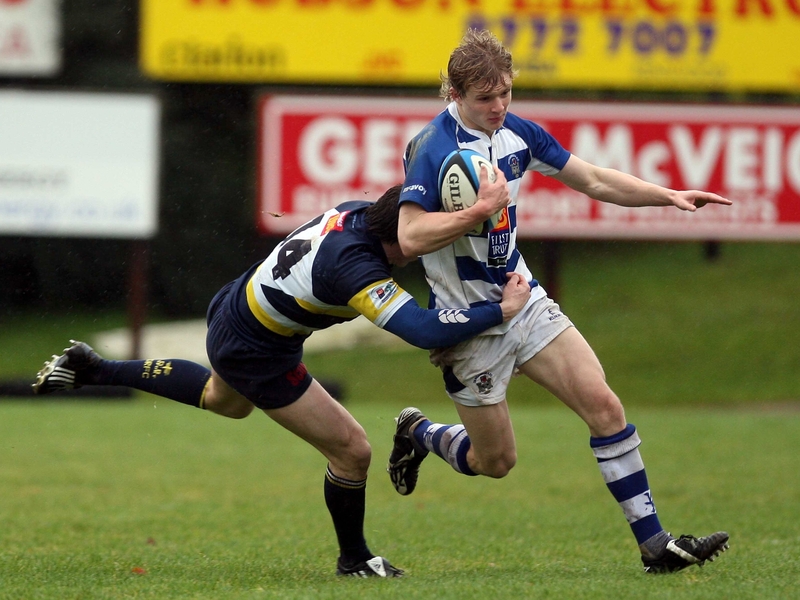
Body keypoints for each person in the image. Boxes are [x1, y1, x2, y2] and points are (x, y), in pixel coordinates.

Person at [32, 185, 532, 579]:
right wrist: (499, 310)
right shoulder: (355, 267)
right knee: (352, 450)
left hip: (238, 306)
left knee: (224, 400)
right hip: (258, 346)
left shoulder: (360, 212)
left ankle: (91, 368)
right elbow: (422, 331)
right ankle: (353, 560)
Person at [386, 28, 732, 574]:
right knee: (495, 462)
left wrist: (668, 195)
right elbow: (408, 238)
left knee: (605, 407)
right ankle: (420, 432)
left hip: (524, 301)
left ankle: (654, 545)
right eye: (485, 98)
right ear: (455, 96)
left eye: (505, 93)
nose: (499, 107)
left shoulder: (517, 132)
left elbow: (592, 178)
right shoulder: (433, 149)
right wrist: (479, 211)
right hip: (469, 322)